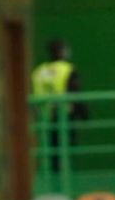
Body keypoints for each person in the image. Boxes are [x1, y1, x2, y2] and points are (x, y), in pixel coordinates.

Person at [31, 38, 85, 173]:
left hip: (44, 119)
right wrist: (83, 113)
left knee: (50, 155)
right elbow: (75, 92)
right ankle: (62, 180)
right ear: (61, 51)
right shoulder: (66, 70)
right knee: (63, 154)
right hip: (63, 117)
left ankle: (53, 180)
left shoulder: (39, 72)